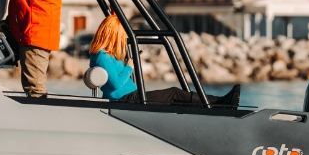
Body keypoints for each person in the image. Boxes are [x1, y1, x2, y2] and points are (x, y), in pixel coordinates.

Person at [88, 15, 239, 107]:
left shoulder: (105, 55)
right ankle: (218, 102)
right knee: (173, 94)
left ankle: (216, 103)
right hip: (126, 100)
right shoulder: (102, 56)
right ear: (113, 35)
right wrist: (129, 66)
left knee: (175, 97)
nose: (123, 38)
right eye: (121, 35)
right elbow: (115, 84)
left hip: (131, 97)